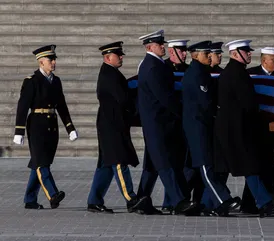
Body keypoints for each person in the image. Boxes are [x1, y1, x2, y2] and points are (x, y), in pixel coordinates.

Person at [213, 39, 274, 217]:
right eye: (246, 51)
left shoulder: (236, 72)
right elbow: (248, 104)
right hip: (236, 129)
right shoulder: (237, 73)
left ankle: (213, 204)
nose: (250, 54)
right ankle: (264, 202)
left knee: (230, 168)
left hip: (233, 128)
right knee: (247, 166)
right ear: (235, 54)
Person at [136, 30, 197, 215]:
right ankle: (179, 201)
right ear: (149, 47)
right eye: (159, 44)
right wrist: (183, 112)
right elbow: (165, 97)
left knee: (152, 166)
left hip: (158, 123)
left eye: (162, 43)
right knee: (166, 165)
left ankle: (141, 199)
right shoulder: (153, 67)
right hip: (158, 124)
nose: (163, 46)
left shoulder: (154, 64)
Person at [13, 45, 78, 209]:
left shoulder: (56, 81)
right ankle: (53, 194)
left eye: (54, 59)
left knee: (40, 161)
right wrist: (18, 131)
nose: (54, 62)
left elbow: (62, 106)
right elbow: (23, 106)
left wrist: (70, 128)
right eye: (51, 60)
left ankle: (30, 199)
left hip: (52, 126)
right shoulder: (31, 81)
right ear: (41, 62)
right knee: (42, 162)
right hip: (36, 124)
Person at [86, 41, 148, 214]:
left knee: (107, 164)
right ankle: (131, 198)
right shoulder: (110, 75)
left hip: (111, 123)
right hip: (111, 125)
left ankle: (94, 200)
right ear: (108, 57)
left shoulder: (112, 73)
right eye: (118, 55)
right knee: (119, 161)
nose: (121, 57)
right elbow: (123, 99)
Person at [182, 40, 241, 216]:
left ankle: (180, 201)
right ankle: (223, 200)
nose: (209, 56)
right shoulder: (196, 74)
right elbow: (206, 103)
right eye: (205, 54)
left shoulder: (202, 72)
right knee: (205, 166)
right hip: (197, 125)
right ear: (194, 55)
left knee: (194, 170)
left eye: (209, 53)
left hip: (204, 125)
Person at [240, 47, 274, 214]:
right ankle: (257, 202)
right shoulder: (251, 74)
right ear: (264, 61)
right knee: (255, 166)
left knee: (268, 165)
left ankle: (263, 201)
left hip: (271, 129)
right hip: (254, 127)